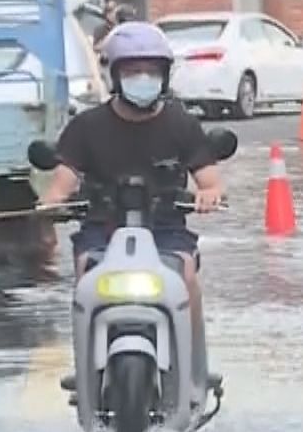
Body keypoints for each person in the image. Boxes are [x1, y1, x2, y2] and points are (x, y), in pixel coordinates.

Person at [39, 21, 225, 281]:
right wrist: (51, 205)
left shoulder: (183, 124)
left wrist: (209, 195)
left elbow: (211, 183)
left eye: (152, 71)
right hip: (102, 230)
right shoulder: (85, 126)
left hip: (166, 230)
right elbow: (61, 186)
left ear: (164, 76)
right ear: (115, 75)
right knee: (86, 269)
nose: (143, 78)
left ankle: (191, 310)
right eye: (133, 71)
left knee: (185, 272)